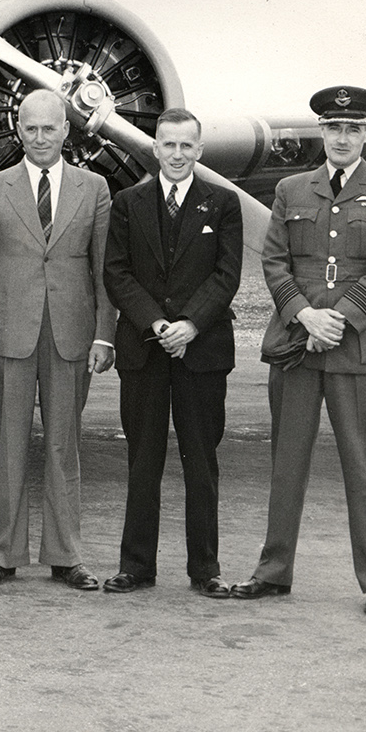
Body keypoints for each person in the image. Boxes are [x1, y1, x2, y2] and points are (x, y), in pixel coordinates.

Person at [232, 86, 366, 617]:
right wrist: (305, 316)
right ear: (321, 132)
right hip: (296, 345)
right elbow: (274, 262)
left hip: (359, 348)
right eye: (333, 128)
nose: (341, 137)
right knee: (286, 464)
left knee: (365, 468)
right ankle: (273, 572)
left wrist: (339, 320)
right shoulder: (290, 189)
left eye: (353, 128)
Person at [0, 89, 115, 592]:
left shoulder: (94, 189)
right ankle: (2, 554)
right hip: (8, 336)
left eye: (49, 128)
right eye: (30, 128)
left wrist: (104, 336)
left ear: (66, 130)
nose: (40, 137)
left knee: (63, 448)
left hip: (70, 336)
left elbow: (104, 272)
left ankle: (66, 555)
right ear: (18, 130)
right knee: (7, 447)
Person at [101, 108, 242, 597]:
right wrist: (157, 323)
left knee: (201, 461)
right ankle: (136, 566)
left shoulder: (223, 203)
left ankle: (206, 569)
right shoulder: (127, 203)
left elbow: (227, 276)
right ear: (154, 147)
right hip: (144, 349)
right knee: (143, 461)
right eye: (168, 144)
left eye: (187, 146)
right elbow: (116, 273)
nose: (177, 154)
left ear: (199, 150)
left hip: (201, 353)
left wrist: (190, 325)